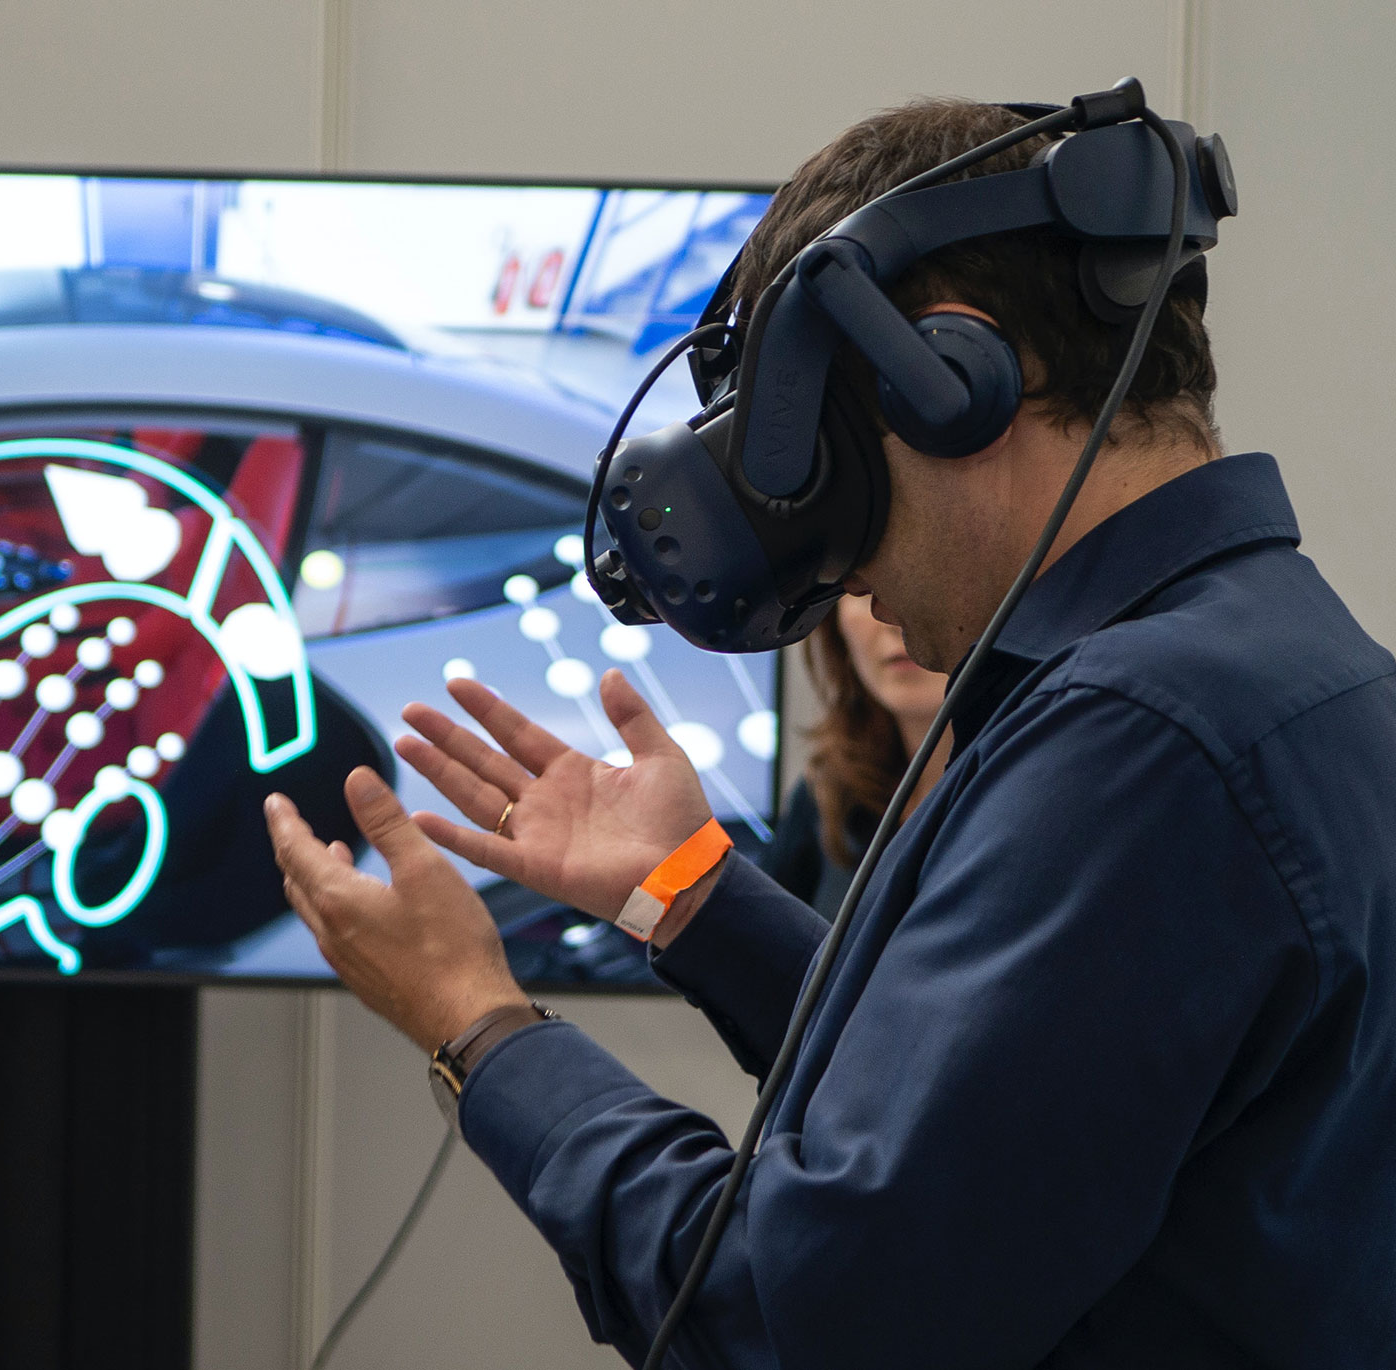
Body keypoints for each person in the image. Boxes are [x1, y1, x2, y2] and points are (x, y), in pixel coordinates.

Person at [264, 96, 1396, 1366]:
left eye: (823, 459)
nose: (835, 568)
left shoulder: (1140, 741)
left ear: (953, 378)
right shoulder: (1278, 671)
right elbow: (987, 1135)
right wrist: (688, 894)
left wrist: (475, 1021)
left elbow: (791, 1315)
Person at [762, 596, 950, 919]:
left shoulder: (1038, 791)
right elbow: (756, 953)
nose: (895, 620)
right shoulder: (828, 790)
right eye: (866, 590)